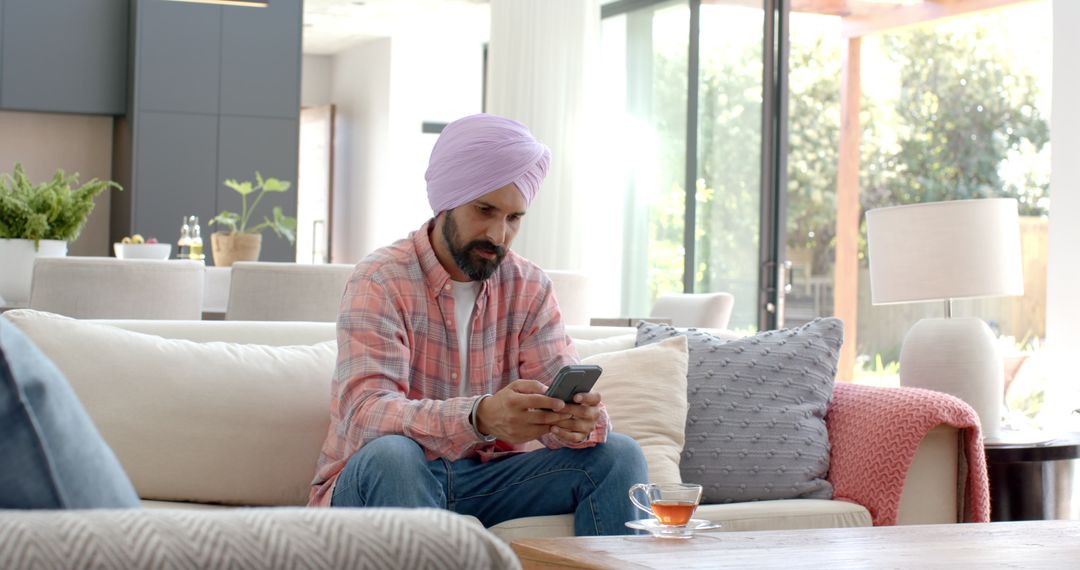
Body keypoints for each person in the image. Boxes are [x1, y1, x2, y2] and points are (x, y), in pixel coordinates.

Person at [309, 113, 648, 536]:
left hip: (490, 482)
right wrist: (479, 418)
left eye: (513, 218)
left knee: (620, 456)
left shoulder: (529, 287)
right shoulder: (380, 279)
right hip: (391, 478)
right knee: (394, 455)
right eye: (485, 210)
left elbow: (565, 404)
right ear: (446, 202)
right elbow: (365, 415)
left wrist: (576, 424)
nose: (498, 234)